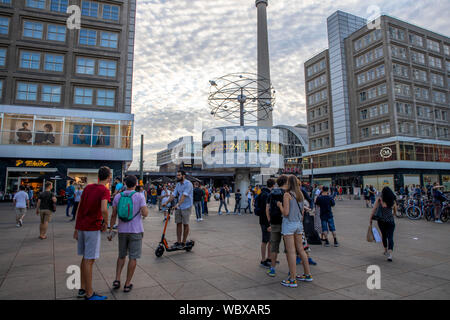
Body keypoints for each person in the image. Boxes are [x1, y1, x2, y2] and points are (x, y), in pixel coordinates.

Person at [73, 166, 112, 300]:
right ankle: (89, 293)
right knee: (90, 260)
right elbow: (104, 209)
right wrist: (106, 223)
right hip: (92, 228)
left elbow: (79, 207)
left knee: (85, 258)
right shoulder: (104, 190)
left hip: (82, 226)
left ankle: (82, 288)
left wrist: (76, 228)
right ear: (109, 177)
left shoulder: (88, 188)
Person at [109, 175, 149, 293]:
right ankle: (127, 284)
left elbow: (113, 215)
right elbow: (145, 213)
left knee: (121, 256)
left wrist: (111, 230)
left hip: (122, 230)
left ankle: (117, 279)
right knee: (133, 257)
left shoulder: (117, 196)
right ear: (136, 183)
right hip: (136, 230)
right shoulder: (139, 196)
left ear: (125, 183)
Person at [277, 175, 312, 287]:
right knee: (301, 250)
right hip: (298, 224)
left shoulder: (287, 195)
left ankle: (292, 279)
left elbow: (285, 213)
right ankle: (307, 275)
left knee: (291, 252)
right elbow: (302, 213)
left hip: (289, 224)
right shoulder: (300, 194)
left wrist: (280, 206)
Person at [162, 170, 193, 250]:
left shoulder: (188, 184)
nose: (177, 176)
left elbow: (184, 196)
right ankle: (178, 242)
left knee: (185, 224)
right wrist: (166, 202)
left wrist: (177, 204)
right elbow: (174, 194)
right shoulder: (178, 184)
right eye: (177, 175)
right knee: (178, 223)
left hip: (186, 206)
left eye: (179, 175)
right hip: (179, 206)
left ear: (183, 176)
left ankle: (183, 242)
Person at [266, 175, 288, 277]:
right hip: (286, 223)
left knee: (274, 247)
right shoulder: (287, 193)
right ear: (285, 182)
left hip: (274, 222)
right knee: (289, 247)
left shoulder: (271, 193)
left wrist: (270, 221)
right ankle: (290, 270)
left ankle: (273, 269)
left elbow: (268, 208)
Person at [369, 187, 397, 262]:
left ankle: (385, 250)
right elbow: (395, 211)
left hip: (381, 221)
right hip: (390, 221)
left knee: (384, 235)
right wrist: (392, 215)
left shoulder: (379, 200)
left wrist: (370, 219)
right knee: (390, 237)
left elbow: (373, 210)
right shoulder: (392, 200)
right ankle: (390, 254)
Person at [257, 179, 274, 268]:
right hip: (265, 221)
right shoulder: (266, 195)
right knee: (265, 240)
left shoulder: (263, 193)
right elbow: (266, 210)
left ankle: (269, 257)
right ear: (273, 185)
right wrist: (269, 223)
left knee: (269, 240)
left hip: (263, 220)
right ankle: (263, 260)